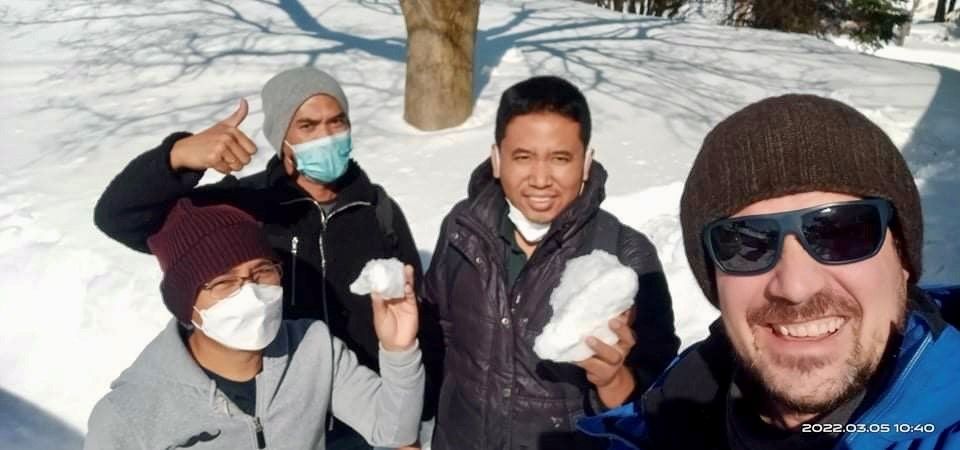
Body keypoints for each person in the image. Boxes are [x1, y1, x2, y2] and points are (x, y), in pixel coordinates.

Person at [578, 94, 960, 450]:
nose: (795, 286)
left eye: (842, 233)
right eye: (746, 242)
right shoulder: (660, 420)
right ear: (714, 278)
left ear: (904, 259)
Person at [92, 67, 428, 447]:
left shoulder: (377, 208)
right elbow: (119, 217)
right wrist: (179, 156)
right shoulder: (240, 207)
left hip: (365, 409)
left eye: (337, 122)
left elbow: (417, 310)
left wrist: (417, 416)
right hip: (266, 404)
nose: (326, 136)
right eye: (308, 126)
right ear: (282, 135)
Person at [420, 76, 680, 450]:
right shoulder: (463, 230)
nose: (540, 179)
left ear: (587, 162)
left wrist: (614, 383)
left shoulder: (627, 256)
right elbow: (438, 339)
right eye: (523, 157)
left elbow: (661, 405)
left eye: (560, 158)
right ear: (496, 159)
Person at [84, 199, 424, 450]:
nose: (250, 292)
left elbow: (393, 432)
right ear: (186, 304)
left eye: (262, 271)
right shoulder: (127, 414)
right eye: (223, 282)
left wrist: (399, 350)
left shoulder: (315, 347)